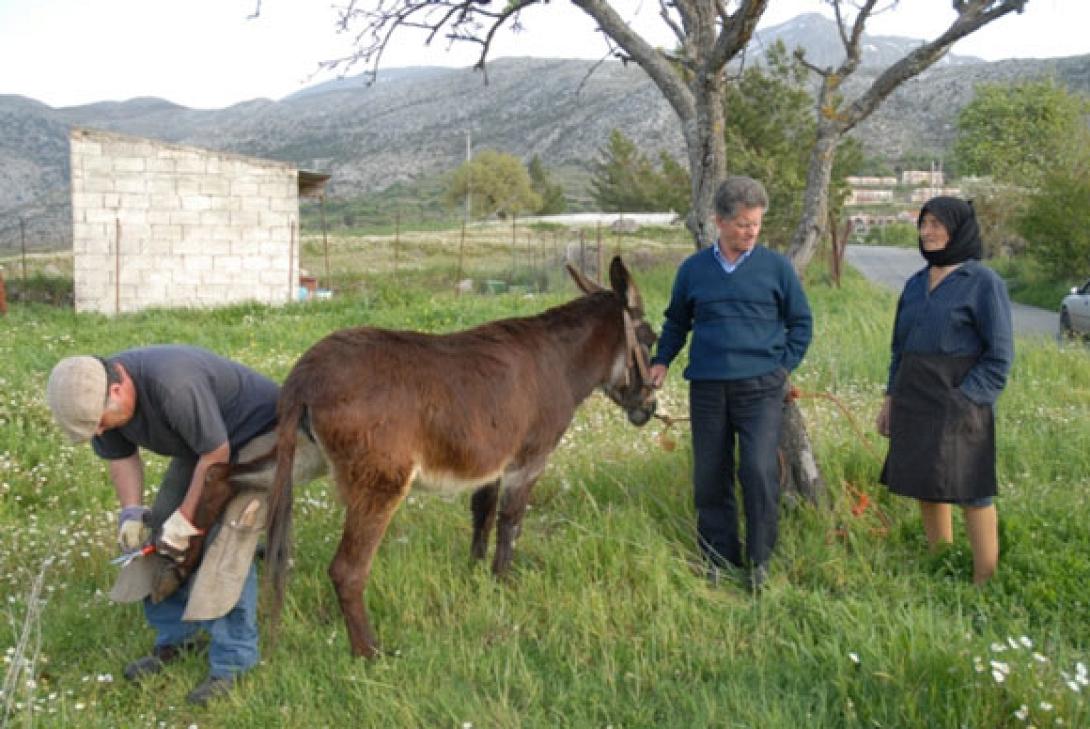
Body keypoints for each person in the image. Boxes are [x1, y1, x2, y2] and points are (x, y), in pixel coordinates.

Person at [45, 345, 324, 704]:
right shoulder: (98, 399)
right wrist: (132, 513)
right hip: (208, 444)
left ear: (117, 389)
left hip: (270, 436)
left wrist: (188, 520)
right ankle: (177, 639)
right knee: (160, 534)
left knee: (227, 535)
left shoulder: (173, 385)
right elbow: (121, 457)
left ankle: (234, 662)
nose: (99, 432)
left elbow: (216, 455)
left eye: (99, 422)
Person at [649, 176, 813, 591]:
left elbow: (801, 323)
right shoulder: (693, 270)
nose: (751, 231)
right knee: (710, 474)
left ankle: (760, 561)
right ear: (718, 221)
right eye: (742, 224)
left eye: (756, 223)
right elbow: (677, 321)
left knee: (758, 470)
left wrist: (781, 369)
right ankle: (718, 560)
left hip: (761, 388)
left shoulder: (776, 268)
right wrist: (662, 360)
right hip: (708, 388)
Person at [875, 196, 1013, 584]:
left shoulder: (983, 283)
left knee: (971, 488)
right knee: (926, 482)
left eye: (937, 224)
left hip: (961, 396)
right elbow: (899, 349)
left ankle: (985, 580)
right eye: (924, 223)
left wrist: (965, 399)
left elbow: (999, 356)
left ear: (958, 229)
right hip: (915, 395)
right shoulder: (915, 284)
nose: (927, 231)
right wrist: (890, 399)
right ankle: (942, 564)